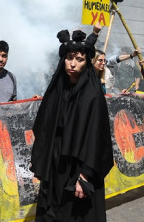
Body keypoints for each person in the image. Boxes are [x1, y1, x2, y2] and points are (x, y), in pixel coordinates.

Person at [30, 29, 113, 221]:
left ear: (86, 63)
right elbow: (44, 128)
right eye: (69, 58)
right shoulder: (57, 90)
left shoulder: (92, 95)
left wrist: (85, 175)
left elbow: (96, 137)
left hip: (79, 167)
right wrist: (42, 160)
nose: (73, 64)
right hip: (55, 164)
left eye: (80, 60)